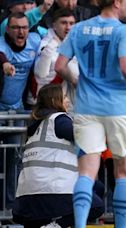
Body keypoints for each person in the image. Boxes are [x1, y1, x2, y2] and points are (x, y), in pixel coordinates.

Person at [54, 0, 126, 227]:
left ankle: (81, 224)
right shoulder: (125, 30)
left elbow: (59, 65)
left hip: (87, 108)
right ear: (116, 2)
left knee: (86, 173)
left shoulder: (79, 28)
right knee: (123, 173)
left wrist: (75, 81)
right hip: (120, 108)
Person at [12, 84, 104, 228]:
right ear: (56, 100)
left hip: (27, 193)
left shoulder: (35, 126)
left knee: (96, 187)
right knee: (95, 205)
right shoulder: (59, 120)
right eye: (65, 97)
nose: (68, 100)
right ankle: (57, 226)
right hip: (53, 189)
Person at [0, 12, 41, 210]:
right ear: (7, 29)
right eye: (16, 27)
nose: (21, 31)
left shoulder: (34, 41)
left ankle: (8, 206)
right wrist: (4, 64)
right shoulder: (1, 45)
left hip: (16, 111)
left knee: (13, 160)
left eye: (24, 27)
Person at [29, 8, 77, 111]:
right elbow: (40, 74)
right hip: (43, 104)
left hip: (63, 102)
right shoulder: (47, 45)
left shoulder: (73, 44)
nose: (68, 27)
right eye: (64, 23)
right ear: (54, 25)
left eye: (71, 23)